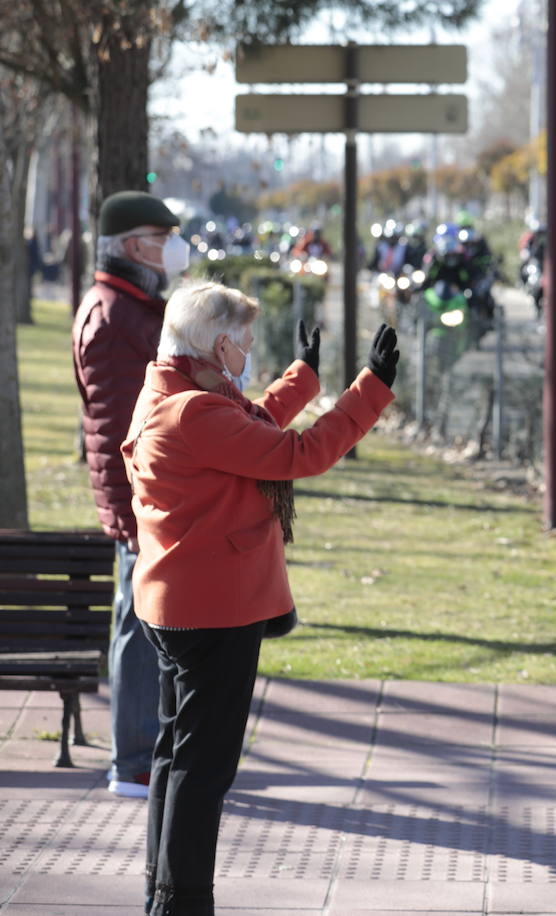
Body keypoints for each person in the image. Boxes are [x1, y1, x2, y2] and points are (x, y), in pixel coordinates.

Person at [122, 282, 400, 915]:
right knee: (202, 766)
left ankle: (163, 890)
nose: (248, 350)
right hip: (213, 607)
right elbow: (295, 453)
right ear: (218, 344)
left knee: (176, 755)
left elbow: (249, 428)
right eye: (243, 340)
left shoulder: (169, 392)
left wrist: (302, 378)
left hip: (177, 602)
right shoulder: (194, 411)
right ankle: (182, 901)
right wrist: (371, 388)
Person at [73, 190, 188, 800]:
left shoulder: (132, 309)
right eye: (161, 235)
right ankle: (136, 761)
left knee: (148, 625)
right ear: (131, 247)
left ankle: (145, 755)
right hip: (141, 503)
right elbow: (125, 428)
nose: (173, 246)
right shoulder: (117, 318)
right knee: (141, 628)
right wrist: (143, 508)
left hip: (146, 500)